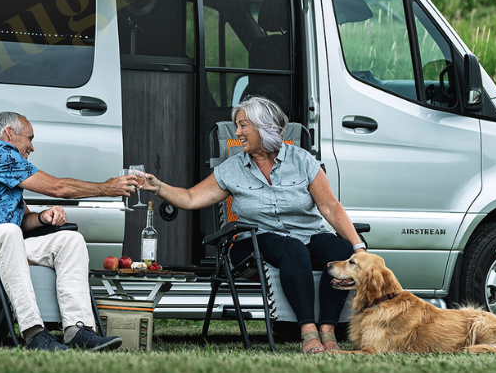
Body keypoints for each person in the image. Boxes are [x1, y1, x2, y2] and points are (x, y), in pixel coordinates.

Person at [139, 96, 365, 353]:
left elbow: (330, 207)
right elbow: (191, 198)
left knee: (339, 250)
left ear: (264, 127)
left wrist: (357, 247)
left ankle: (328, 330)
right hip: (253, 241)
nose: (237, 133)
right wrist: (157, 186)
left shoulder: (302, 161)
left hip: (308, 234)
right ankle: (308, 332)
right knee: (292, 249)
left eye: (243, 125)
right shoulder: (232, 168)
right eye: (237, 126)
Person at [0, 111, 141, 351]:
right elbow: (58, 188)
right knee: (9, 233)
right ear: (9, 133)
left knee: (70, 240)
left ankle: (79, 330)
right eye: (29, 138)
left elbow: (23, 221)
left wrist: (43, 218)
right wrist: (106, 188)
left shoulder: (6, 170)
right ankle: (35, 334)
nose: (32, 147)